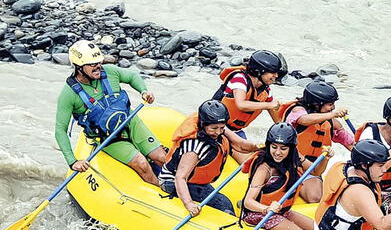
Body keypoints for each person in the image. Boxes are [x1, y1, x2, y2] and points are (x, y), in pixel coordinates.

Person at [55, 40, 166, 185]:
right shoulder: (69, 94)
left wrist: (143, 91)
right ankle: (160, 188)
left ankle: (181, 184)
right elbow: (60, 130)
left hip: (130, 122)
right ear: (79, 67)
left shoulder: (110, 72)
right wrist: (72, 161)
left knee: (162, 157)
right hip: (108, 138)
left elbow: (132, 77)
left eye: (99, 62)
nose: (98, 67)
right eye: (92, 64)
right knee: (142, 164)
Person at [158, 100, 261, 217]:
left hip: (195, 182)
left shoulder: (216, 127)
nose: (218, 132)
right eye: (214, 128)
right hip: (172, 182)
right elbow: (180, 178)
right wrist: (189, 204)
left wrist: (256, 147)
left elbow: (239, 144)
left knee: (224, 202)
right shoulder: (195, 147)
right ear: (203, 124)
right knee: (224, 206)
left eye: (222, 128)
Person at [241, 123, 333, 230]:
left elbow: (315, 171)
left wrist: (326, 158)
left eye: (283, 148)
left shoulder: (295, 156)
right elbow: (248, 201)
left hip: (281, 211)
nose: (278, 152)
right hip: (259, 214)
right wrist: (266, 209)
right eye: (274, 147)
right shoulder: (264, 170)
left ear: (291, 148)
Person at [279, 80, 355, 203]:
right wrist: (332, 114)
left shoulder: (332, 123)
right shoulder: (297, 111)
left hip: (310, 168)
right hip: (286, 161)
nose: (333, 108)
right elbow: (303, 120)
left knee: (315, 198)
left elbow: (351, 144)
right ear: (316, 104)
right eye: (330, 104)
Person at [212, 50, 286, 161]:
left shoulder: (265, 90)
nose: (276, 76)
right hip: (217, 127)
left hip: (237, 131)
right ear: (259, 72)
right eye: (272, 72)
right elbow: (241, 104)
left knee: (261, 158)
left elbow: (278, 120)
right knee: (250, 161)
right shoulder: (239, 79)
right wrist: (268, 105)